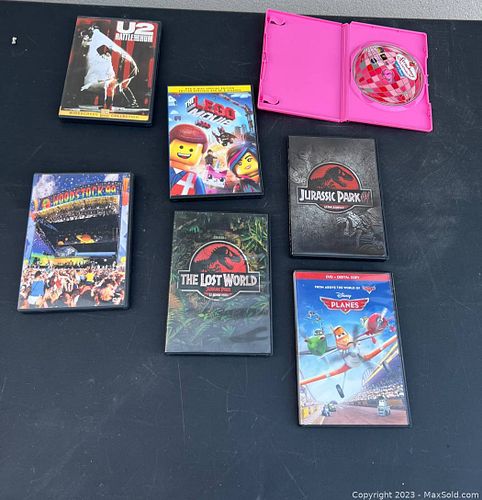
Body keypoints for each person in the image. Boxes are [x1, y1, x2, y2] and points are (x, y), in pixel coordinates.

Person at [169, 124, 208, 196]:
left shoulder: (195, 179)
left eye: (191, 150)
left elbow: (201, 197)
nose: (185, 152)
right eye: (181, 147)